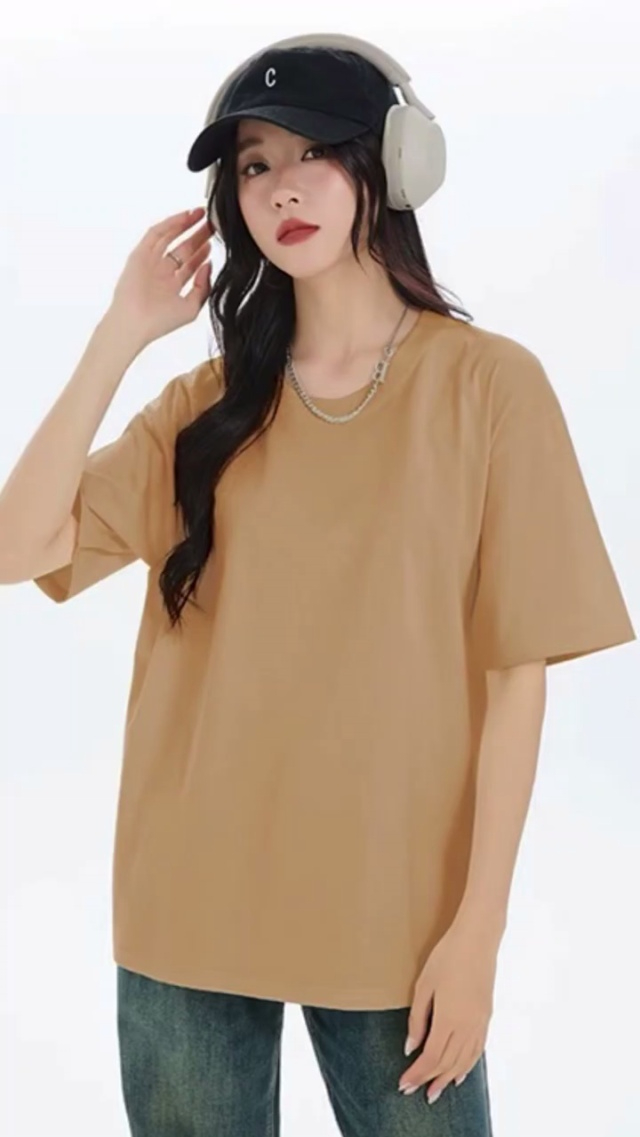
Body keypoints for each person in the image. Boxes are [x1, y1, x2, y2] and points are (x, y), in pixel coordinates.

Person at [1, 40, 636, 1137]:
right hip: (187, 908)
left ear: (392, 163)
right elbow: (18, 547)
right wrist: (120, 334)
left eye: (313, 154)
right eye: (254, 165)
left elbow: (515, 679)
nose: (282, 188)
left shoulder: (490, 388)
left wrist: (477, 935)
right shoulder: (204, 409)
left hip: (397, 921)